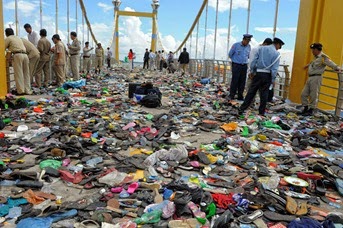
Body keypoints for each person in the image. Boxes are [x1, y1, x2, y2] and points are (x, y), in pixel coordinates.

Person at [239, 37, 285, 116]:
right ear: (277, 44)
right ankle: (261, 112)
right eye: (279, 47)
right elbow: (274, 69)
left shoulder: (261, 49)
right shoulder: (276, 54)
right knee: (264, 94)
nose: (278, 49)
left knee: (251, 92)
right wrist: (273, 79)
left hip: (258, 73)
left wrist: (252, 71)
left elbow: (254, 61)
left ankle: (242, 108)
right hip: (267, 75)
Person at [300, 43, 341, 115]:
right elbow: (312, 64)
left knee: (313, 94)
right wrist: (307, 66)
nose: (312, 51)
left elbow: (331, 63)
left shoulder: (323, 57)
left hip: (316, 77)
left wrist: (338, 68)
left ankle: (311, 109)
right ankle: (305, 107)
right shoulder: (316, 57)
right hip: (310, 77)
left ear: (317, 49)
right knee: (303, 94)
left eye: (313, 50)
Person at [4, 28, 31, 95]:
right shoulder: (18, 38)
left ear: (6, 34)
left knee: (18, 74)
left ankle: (21, 91)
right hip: (25, 55)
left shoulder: (8, 38)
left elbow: (2, 48)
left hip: (17, 55)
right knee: (26, 74)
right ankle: (27, 90)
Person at [246, 38, 273, 103]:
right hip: (255, 73)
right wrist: (252, 72)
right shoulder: (256, 49)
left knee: (257, 90)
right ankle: (250, 103)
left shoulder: (262, 50)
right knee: (251, 90)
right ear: (265, 44)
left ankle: (252, 103)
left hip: (260, 74)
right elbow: (252, 62)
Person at [228, 34, 253, 100]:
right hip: (236, 65)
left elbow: (248, 56)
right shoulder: (236, 45)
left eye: (248, 41)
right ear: (243, 39)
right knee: (235, 80)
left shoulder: (249, 47)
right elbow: (230, 54)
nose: (247, 42)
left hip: (244, 65)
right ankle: (232, 95)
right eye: (246, 41)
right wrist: (235, 60)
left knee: (242, 81)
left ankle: (240, 95)